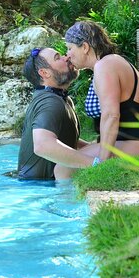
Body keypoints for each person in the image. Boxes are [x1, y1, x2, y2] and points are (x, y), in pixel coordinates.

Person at [65, 21, 139, 164]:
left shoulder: (106, 65)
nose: (67, 55)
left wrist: (102, 161)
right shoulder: (106, 64)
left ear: (85, 47)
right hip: (134, 143)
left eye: (69, 48)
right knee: (69, 158)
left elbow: (111, 115)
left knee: (62, 168)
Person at [17, 47, 98, 180]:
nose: (66, 57)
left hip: (35, 184)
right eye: (57, 57)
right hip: (40, 189)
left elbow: (61, 139)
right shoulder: (49, 102)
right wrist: (95, 163)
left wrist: (90, 147)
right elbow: (43, 146)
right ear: (44, 73)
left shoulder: (59, 99)